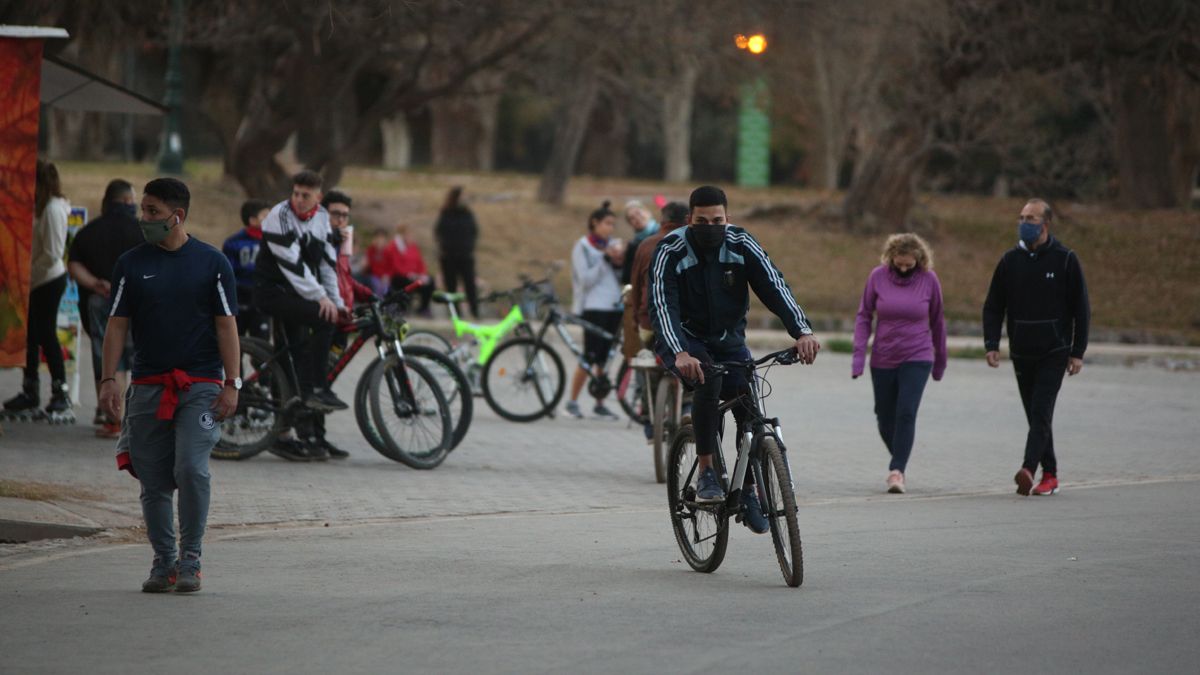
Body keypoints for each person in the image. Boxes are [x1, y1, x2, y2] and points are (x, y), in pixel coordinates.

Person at [649, 185, 819, 534]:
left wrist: (802, 331)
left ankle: (749, 490)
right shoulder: (671, 249)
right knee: (708, 380)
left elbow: (774, 286)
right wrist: (679, 352)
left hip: (729, 340)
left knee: (748, 404)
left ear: (728, 218)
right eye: (702, 221)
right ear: (689, 219)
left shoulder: (741, 243)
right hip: (684, 339)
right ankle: (707, 471)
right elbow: (663, 305)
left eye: (718, 220)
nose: (711, 227)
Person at [98, 177, 240, 593]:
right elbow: (116, 325)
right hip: (148, 386)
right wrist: (108, 379)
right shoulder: (130, 264)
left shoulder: (213, 264)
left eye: (152, 212)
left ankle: (191, 557)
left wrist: (232, 383)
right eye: (143, 209)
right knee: (154, 480)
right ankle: (164, 561)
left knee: (191, 468)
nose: (143, 218)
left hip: (200, 385)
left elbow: (227, 325)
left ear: (176, 216)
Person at [983, 198, 1090, 497]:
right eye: (1021, 217)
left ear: (1046, 224)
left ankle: (1028, 469)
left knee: (1041, 411)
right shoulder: (1009, 261)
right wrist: (992, 343)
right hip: (1021, 351)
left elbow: (1081, 309)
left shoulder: (1065, 259)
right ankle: (1051, 474)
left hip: (1054, 351)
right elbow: (993, 306)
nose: (1024, 223)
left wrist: (1077, 352)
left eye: (1030, 218)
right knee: (1035, 416)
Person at [852, 233, 947, 494]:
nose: (904, 269)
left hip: (918, 355)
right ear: (891, 257)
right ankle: (901, 454)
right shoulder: (877, 277)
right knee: (884, 417)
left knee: (906, 412)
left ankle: (897, 471)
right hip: (883, 356)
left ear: (919, 259)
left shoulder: (929, 280)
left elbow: (938, 321)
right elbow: (864, 316)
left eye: (909, 264)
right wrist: (858, 357)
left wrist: (940, 361)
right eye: (899, 263)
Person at [253, 170, 347, 432]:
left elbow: (327, 265)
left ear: (318, 197)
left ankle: (306, 413)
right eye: (296, 193)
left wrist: (337, 302)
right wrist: (321, 299)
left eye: (306, 195)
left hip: (295, 293)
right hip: (271, 292)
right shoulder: (279, 216)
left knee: (302, 349)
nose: (299, 200)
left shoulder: (322, 217)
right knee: (323, 319)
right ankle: (317, 388)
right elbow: (292, 265)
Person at [67, 179, 143, 437]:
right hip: (138, 301)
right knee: (140, 361)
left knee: (112, 362)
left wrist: (95, 284)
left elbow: (73, 266)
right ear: (128, 201)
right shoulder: (143, 231)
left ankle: (114, 420)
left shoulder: (89, 232)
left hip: (101, 302)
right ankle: (136, 419)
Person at [3, 160, 73, 421]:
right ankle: (30, 389)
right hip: (34, 280)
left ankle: (60, 391)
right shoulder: (38, 206)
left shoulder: (53, 209)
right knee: (30, 335)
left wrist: (27, 272)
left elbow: (53, 253)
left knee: (46, 334)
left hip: (48, 280)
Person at [314, 189, 375, 459]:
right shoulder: (318, 239)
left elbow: (345, 277)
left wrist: (370, 295)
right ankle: (309, 435)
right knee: (317, 381)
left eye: (345, 215)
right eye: (335, 214)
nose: (340, 220)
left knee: (326, 381)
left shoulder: (343, 241)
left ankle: (319, 436)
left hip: (342, 320)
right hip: (326, 317)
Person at [621, 201, 689, 439]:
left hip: (648, 322)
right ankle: (688, 405)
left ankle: (650, 419)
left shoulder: (645, 245)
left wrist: (636, 319)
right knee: (694, 359)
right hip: (683, 324)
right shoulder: (689, 244)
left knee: (647, 363)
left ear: (662, 221)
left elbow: (635, 286)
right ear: (688, 221)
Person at [566, 200, 625, 420]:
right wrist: (605, 259)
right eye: (607, 223)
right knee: (589, 355)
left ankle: (599, 403)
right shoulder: (583, 246)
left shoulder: (614, 244)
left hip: (615, 306)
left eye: (613, 224)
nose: (610, 228)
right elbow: (585, 280)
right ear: (595, 223)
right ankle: (572, 402)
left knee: (605, 357)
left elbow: (622, 277)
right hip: (593, 307)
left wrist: (619, 262)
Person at [222, 199, 272, 340]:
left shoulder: (273, 242)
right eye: (265, 216)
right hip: (239, 299)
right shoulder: (234, 242)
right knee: (236, 339)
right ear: (253, 220)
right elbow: (228, 273)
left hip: (262, 299)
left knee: (262, 340)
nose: (271, 220)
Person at [434, 186, 480, 318]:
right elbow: (439, 232)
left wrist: (469, 246)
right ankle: (455, 314)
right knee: (451, 286)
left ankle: (474, 311)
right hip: (449, 257)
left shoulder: (467, 214)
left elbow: (474, 231)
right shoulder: (446, 214)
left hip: (465, 256)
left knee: (470, 284)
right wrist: (445, 247)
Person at [388, 222, 434, 316]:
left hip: (415, 276)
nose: (410, 236)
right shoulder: (394, 246)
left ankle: (424, 308)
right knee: (407, 282)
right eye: (408, 234)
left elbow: (420, 263)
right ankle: (403, 307)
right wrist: (409, 275)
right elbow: (395, 265)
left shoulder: (413, 247)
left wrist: (422, 274)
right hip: (400, 276)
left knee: (430, 281)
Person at [620, 200, 660, 284]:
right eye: (632, 218)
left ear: (648, 213)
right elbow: (628, 277)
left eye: (638, 213)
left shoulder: (664, 233)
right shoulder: (633, 246)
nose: (636, 218)